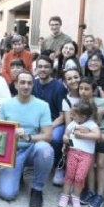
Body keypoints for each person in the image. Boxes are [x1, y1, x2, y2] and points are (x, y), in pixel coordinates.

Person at [0, 71, 54, 207]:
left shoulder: (42, 106)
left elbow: (47, 135)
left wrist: (28, 137)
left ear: (33, 85)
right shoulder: (5, 105)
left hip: (32, 149)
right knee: (7, 194)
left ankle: (37, 189)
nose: (26, 86)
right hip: (11, 152)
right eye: (22, 82)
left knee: (45, 149)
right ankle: (15, 173)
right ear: (16, 85)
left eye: (29, 83)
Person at [75, 77, 104, 207]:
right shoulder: (78, 105)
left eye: (87, 89)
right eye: (81, 88)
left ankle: (100, 195)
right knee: (89, 163)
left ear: (93, 91)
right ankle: (90, 191)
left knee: (101, 164)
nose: (83, 91)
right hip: (88, 136)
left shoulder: (101, 102)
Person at [58, 102, 100, 207]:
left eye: (74, 114)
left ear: (83, 116)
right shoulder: (72, 124)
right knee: (70, 174)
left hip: (86, 155)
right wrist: (65, 138)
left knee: (80, 177)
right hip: (73, 151)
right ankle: (65, 195)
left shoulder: (91, 124)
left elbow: (97, 135)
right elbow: (66, 134)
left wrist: (81, 135)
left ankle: (75, 196)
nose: (71, 115)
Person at [32, 56, 67, 184]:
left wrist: (48, 127)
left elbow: (62, 116)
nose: (43, 69)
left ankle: (59, 167)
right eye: (40, 66)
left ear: (52, 69)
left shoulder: (59, 87)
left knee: (56, 139)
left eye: (46, 67)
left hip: (55, 123)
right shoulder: (32, 84)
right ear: (36, 69)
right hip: (36, 122)